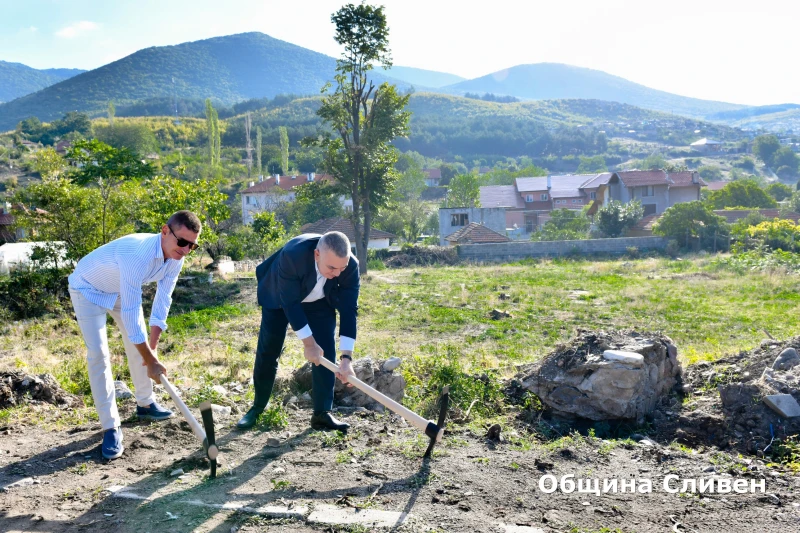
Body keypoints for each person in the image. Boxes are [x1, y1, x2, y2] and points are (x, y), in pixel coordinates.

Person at [68, 210, 202, 460]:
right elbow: (131, 312)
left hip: (119, 290)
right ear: (165, 231)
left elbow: (163, 299)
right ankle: (111, 427)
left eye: (192, 246)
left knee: (138, 345)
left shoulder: (176, 257)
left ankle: (146, 403)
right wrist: (150, 360)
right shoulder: (137, 255)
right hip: (87, 289)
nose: (185, 250)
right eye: (182, 242)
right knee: (99, 354)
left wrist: (152, 347)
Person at [237, 231, 359, 431]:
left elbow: (349, 309)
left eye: (342, 268)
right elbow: (290, 303)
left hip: (319, 301)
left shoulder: (349, 266)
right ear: (317, 254)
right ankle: (257, 407)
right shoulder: (293, 255)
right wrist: (308, 344)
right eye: (332, 268)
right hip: (280, 297)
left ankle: (322, 413)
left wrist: (347, 359)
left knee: (326, 350)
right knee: (269, 349)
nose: (338, 274)